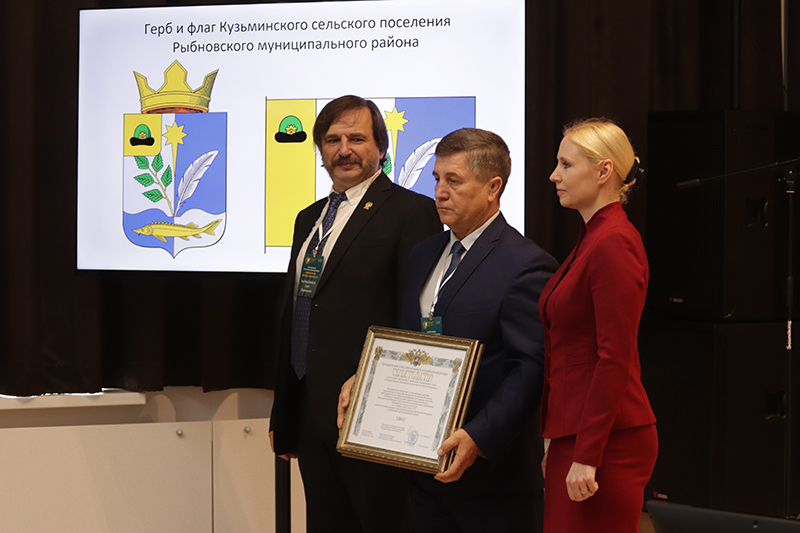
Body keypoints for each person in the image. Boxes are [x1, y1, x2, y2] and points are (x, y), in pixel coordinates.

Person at [339, 128, 558, 533]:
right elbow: (409, 340)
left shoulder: (526, 265)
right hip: (425, 471)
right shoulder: (424, 254)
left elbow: (530, 370)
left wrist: (478, 436)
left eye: (454, 181)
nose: (439, 192)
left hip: (493, 480)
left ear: (493, 188)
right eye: (437, 178)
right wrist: (367, 377)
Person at [269, 95, 442, 533]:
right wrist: (284, 413)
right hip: (310, 411)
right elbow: (296, 312)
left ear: (381, 148)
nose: (344, 149)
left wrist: (378, 384)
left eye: (357, 138)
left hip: (371, 409)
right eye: (333, 140)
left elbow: (416, 314)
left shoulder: (412, 211)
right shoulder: (308, 218)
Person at [540, 118, 658, 532]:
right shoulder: (595, 236)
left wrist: (587, 454)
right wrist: (556, 439)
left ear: (604, 171)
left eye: (566, 164)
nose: (554, 175)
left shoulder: (613, 241)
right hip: (577, 435)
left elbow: (614, 358)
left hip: (607, 442)